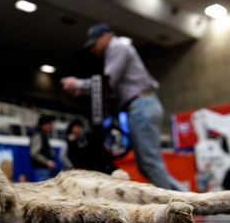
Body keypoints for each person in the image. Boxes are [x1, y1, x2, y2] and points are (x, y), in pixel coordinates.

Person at [61, 23, 186, 191]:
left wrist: (78, 83)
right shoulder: (117, 49)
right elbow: (108, 87)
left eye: (94, 43)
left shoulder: (117, 46)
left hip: (142, 105)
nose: (93, 49)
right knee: (146, 165)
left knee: (150, 163)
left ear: (105, 36)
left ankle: (177, 208)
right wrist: (84, 89)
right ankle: (186, 200)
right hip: (140, 106)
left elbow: (108, 80)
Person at [30, 115, 56, 181]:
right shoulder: (38, 135)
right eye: (50, 124)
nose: (51, 126)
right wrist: (47, 162)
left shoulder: (43, 135)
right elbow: (34, 153)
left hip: (45, 169)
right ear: (44, 125)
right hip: (41, 170)